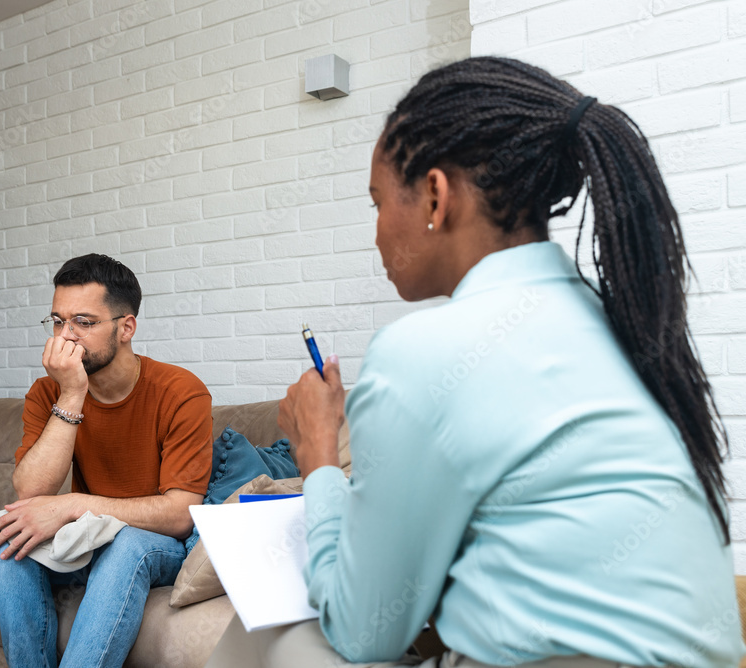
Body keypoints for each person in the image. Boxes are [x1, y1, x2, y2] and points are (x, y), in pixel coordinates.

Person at [207, 56, 745, 668]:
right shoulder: (622, 327)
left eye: (377, 203)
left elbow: (363, 631)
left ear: (437, 195)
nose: (378, 232)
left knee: (271, 635)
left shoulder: (421, 352)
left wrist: (320, 455)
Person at [0, 254, 213, 668]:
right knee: (3, 536)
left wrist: (74, 505)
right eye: (58, 321)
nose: (66, 337)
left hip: (153, 541)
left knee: (128, 545)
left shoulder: (181, 391)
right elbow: (32, 493)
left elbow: (182, 513)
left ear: (126, 328)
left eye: (84, 323)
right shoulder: (47, 392)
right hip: (87, 537)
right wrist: (72, 395)